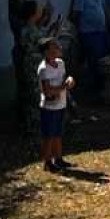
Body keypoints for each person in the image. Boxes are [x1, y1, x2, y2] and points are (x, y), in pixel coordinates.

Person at [69, 0, 107, 102]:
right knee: (94, 62)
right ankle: (93, 92)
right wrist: (78, 33)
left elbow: (104, 9)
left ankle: (99, 89)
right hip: (88, 33)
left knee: (101, 61)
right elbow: (76, 15)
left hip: (100, 31)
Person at [37, 37, 74, 172]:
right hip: (49, 107)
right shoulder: (43, 69)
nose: (58, 48)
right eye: (55, 46)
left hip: (60, 104)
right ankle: (47, 162)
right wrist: (64, 86)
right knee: (49, 136)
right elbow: (48, 91)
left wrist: (69, 80)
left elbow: (64, 79)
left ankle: (58, 158)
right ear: (47, 52)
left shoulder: (60, 63)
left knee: (58, 133)